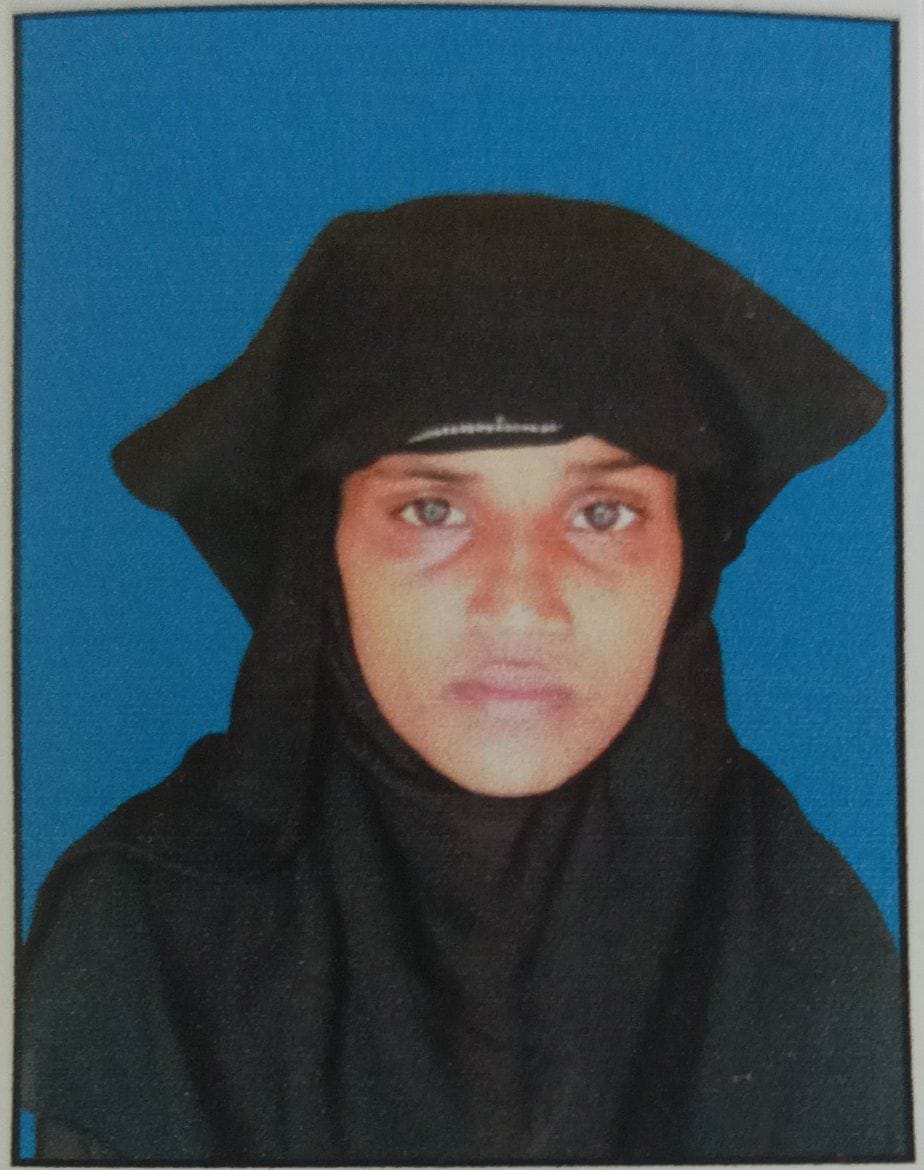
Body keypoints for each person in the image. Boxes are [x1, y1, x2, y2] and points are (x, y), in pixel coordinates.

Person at [18, 194, 910, 1163]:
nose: (520, 605)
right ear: (322, 556)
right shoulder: (146, 930)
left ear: (687, 565)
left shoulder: (805, 942)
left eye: (602, 514)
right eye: (432, 510)